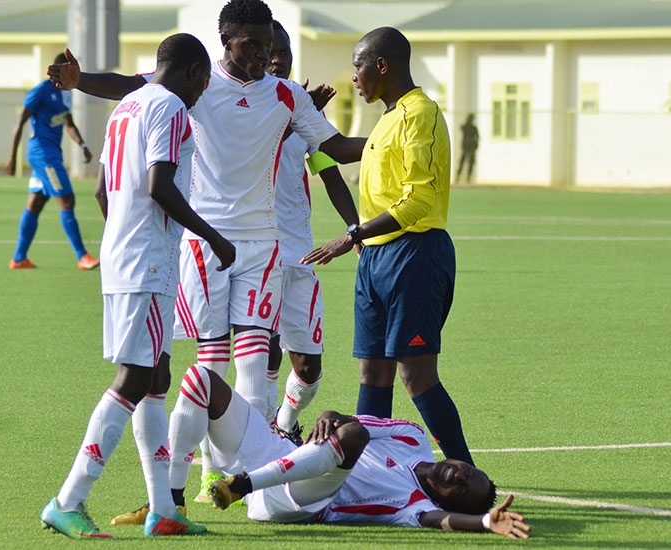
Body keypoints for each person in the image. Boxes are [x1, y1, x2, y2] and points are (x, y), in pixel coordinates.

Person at [47, 0, 366, 504]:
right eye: (252, 46)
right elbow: (133, 85)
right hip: (201, 239)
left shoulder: (285, 95)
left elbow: (338, 145)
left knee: (256, 361)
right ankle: (183, 483)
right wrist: (80, 79)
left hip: (263, 242)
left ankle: (255, 478)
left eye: (268, 47)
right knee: (208, 364)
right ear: (227, 44)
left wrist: (396, 138)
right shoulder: (195, 84)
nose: (263, 56)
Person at [40, 33, 236, 539]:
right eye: (204, 81)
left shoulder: (126, 107)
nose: (201, 93)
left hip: (123, 256)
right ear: (193, 71)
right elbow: (160, 185)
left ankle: (163, 511)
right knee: (133, 379)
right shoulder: (170, 107)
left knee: (156, 377)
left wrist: (122, 237)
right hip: (148, 262)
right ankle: (69, 499)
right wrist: (214, 237)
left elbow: (105, 189)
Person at [302, 27, 475, 466]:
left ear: (382, 65)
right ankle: (370, 473)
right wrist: (305, 118)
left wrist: (353, 235)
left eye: (358, 66)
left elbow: (420, 199)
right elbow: (337, 152)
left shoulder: (421, 114)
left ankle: (466, 472)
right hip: (376, 258)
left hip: (414, 254)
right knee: (372, 372)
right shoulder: (386, 119)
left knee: (415, 374)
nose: (354, 76)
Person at [166, 364, 531, 539]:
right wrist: (328, 417)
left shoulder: (416, 507)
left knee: (353, 437)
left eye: (464, 490)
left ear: (449, 503)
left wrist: (483, 522)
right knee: (202, 381)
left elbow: (444, 522)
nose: (461, 476)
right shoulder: (413, 437)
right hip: (278, 452)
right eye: (469, 472)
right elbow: (343, 419)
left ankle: (241, 485)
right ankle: (170, 503)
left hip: (300, 504)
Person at [264, 20, 359, 445]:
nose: (279, 59)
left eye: (284, 50)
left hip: (297, 254)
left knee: (308, 367)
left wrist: (355, 229)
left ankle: (285, 421)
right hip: (251, 252)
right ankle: (257, 443)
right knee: (259, 355)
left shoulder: (303, 109)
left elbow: (329, 172)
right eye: (270, 51)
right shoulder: (234, 106)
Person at [5, 52, 99, 271]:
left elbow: (69, 124)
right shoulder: (40, 92)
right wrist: (11, 157)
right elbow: (19, 123)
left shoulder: (65, 93)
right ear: (59, 70)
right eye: (69, 69)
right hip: (43, 155)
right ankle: (82, 256)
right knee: (67, 200)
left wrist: (83, 145)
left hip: (52, 153)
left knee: (36, 203)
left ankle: (18, 258)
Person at [456, 113, 479, 183]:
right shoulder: (466, 127)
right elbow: (462, 128)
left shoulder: (474, 128)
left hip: (472, 148)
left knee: (471, 163)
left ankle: (468, 178)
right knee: (462, 162)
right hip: (465, 147)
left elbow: (477, 137)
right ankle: (458, 176)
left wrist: (473, 142)